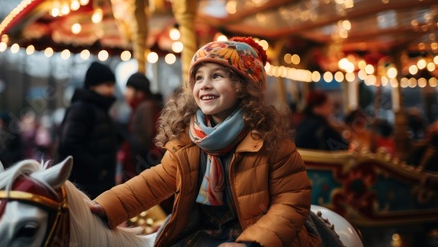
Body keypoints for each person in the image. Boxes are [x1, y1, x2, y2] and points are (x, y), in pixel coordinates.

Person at [90, 37, 322, 246]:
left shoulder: (271, 142)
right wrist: (107, 206)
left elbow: (290, 203)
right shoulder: (188, 141)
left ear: (243, 87)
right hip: (203, 234)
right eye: (199, 78)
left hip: (255, 236)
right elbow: (154, 182)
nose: (205, 84)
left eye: (217, 76)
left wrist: (251, 243)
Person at [57, 61, 119, 198]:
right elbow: (69, 144)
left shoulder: (99, 108)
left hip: (97, 183)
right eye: (108, 85)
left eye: (112, 85)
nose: (112, 90)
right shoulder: (82, 109)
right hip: (86, 184)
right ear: (93, 85)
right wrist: (97, 170)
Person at [119, 72, 162, 182]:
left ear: (140, 92)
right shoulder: (140, 106)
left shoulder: (145, 107)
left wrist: (124, 133)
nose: (126, 93)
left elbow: (145, 137)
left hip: (141, 163)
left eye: (129, 88)